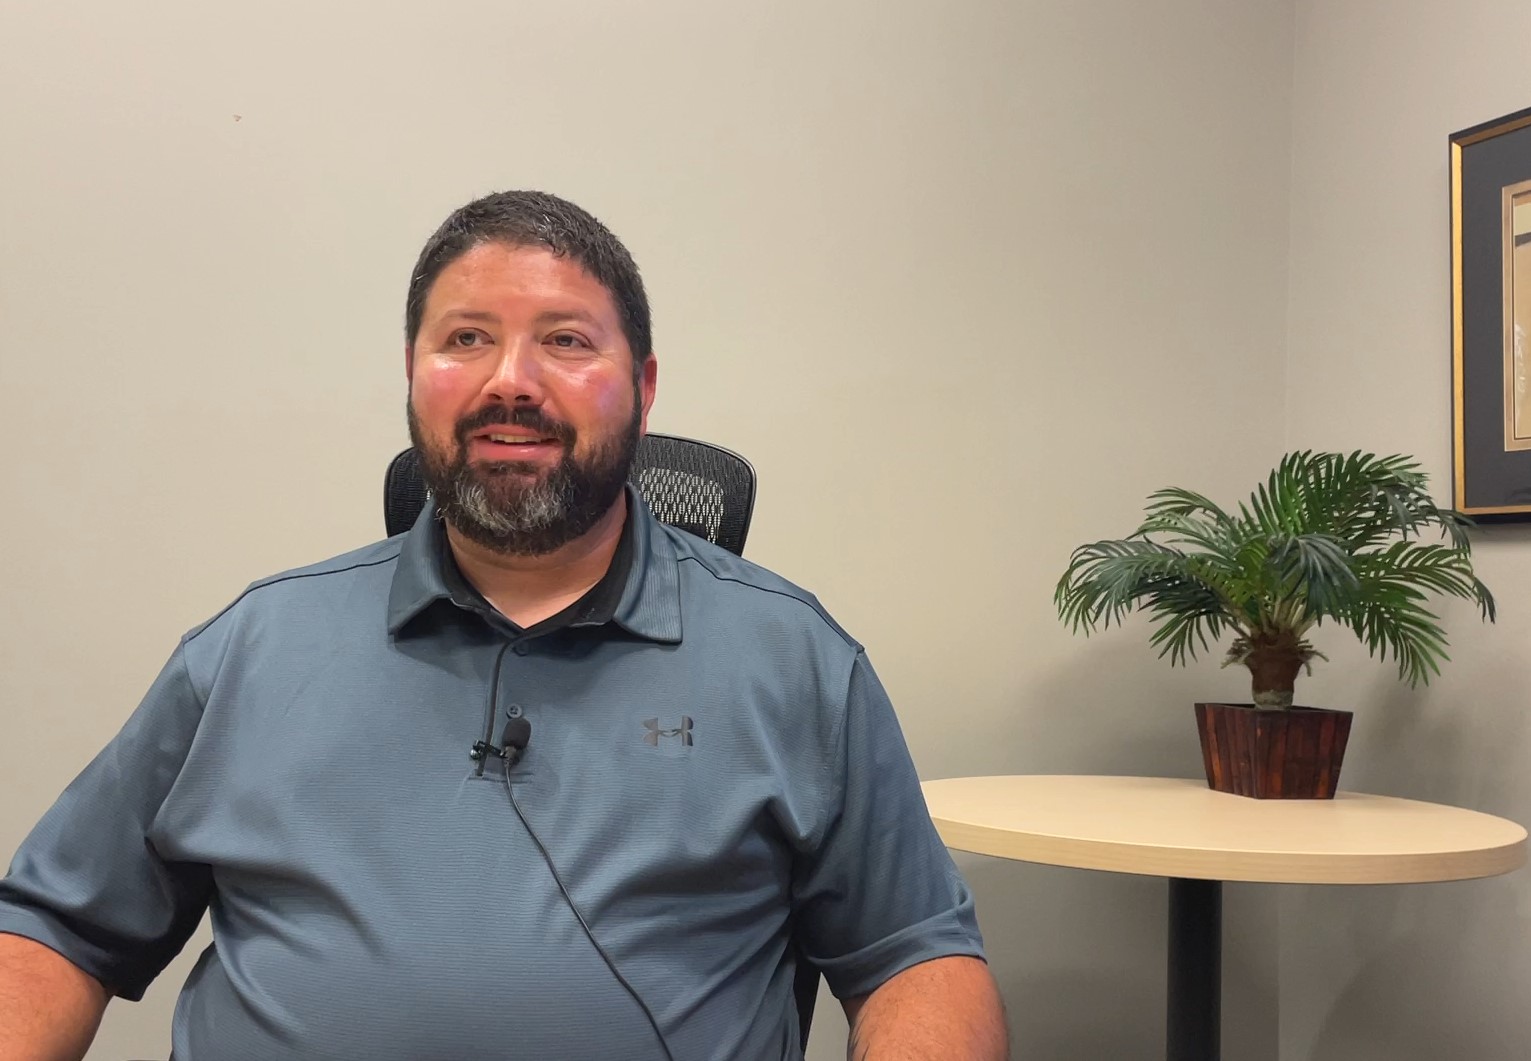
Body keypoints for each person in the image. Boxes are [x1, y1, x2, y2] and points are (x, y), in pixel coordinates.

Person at [0, 191, 1007, 1060]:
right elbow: (52, 924)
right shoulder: (253, 647)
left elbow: (914, 957)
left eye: (565, 340)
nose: (508, 379)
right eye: (465, 338)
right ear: (414, 375)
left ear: (643, 388)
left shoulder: (794, 662)